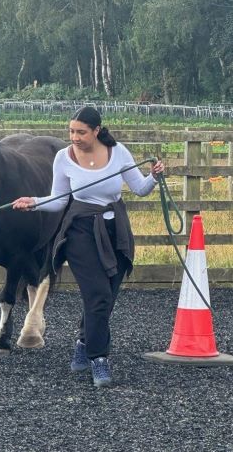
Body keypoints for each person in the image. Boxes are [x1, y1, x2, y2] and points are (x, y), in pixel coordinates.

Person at [12, 106, 164, 388]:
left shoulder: (118, 152)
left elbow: (140, 189)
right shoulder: (63, 158)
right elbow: (59, 200)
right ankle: (99, 359)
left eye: (81, 132)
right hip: (80, 229)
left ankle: (84, 340)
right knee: (98, 295)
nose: (75, 137)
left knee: (108, 293)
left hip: (115, 228)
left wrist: (154, 177)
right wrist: (33, 202)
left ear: (96, 131)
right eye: (71, 131)